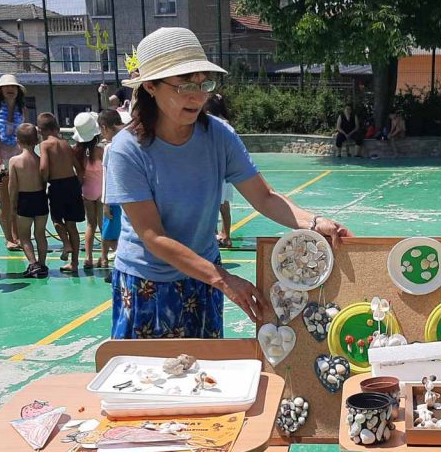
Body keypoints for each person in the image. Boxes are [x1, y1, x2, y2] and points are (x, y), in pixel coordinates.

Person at [106, 27, 351, 339]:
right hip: (148, 283)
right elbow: (153, 237)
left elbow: (264, 197)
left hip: (205, 275)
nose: (198, 96)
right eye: (184, 85)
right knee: (149, 369)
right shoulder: (127, 149)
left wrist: (314, 222)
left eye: (204, 84)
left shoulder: (218, 136)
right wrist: (223, 279)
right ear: (151, 86)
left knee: (206, 365)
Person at [0, 75, 28, 251]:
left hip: (18, 159)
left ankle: (17, 235)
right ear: (0, 90)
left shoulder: (22, 109)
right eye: (7, 87)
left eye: (13, 87)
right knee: (5, 201)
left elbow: (25, 135)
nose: (10, 89)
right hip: (0, 161)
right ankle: (9, 238)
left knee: (18, 200)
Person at [37, 112, 85, 274]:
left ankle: (66, 243)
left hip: (57, 185)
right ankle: (75, 263)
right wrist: (78, 184)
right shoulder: (65, 144)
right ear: (56, 128)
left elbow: (43, 167)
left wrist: (43, 181)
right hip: (72, 183)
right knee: (72, 225)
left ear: (41, 131)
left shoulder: (45, 145)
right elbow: (78, 168)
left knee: (57, 220)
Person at [8, 123, 49, 278]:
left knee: (24, 235)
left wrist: (13, 204)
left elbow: (13, 186)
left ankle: (33, 263)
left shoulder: (14, 161)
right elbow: (44, 179)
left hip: (24, 200)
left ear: (18, 141)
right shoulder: (41, 160)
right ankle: (42, 264)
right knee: (40, 234)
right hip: (40, 197)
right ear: (36, 141)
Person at [71, 112, 107, 270]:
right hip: (101, 190)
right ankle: (104, 258)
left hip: (87, 190)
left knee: (90, 225)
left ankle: (88, 258)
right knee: (102, 225)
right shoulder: (100, 151)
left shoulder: (77, 152)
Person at [97, 109, 125, 284]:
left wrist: (105, 202)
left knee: (112, 236)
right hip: (128, 198)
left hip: (114, 200)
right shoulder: (130, 141)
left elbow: (106, 176)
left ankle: (119, 269)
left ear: (104, 128)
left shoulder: (110, 148)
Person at [204, 93, 234, 248]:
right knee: (224, 205)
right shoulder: (225, 123)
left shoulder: (215, 125)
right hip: (225, 172)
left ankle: (217, 235)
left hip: (216, 171)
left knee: (214, 205)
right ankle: (225, 235)